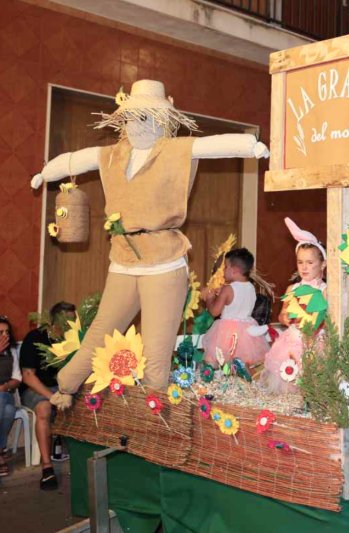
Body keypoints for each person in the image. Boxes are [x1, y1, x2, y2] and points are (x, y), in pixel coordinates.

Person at [31, 80, 269, 410]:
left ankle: (154, 408)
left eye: (147, 117)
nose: (139, 125)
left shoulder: (174, 151)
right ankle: (66, 385)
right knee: (102, 328)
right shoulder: (112, 156)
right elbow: (78, 159)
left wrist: (250, 144)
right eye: (134, 117)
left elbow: (212, 146)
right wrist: (47, 172)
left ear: (162, 120)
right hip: (124, 258)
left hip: (164, 260)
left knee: (158, 344)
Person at [262, 218, 327, 395]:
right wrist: (285, 317)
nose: (304, 267)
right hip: (291, 341)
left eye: (310, 263)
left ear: (323, 264)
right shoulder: (292, 289)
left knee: (312, 385)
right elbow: (283, 315)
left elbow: (328, 320)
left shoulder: (325, 291)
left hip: (315, 343)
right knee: (288, 385)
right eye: (300, 262)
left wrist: (315, 321)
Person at [20, 302, 75, 490]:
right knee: (43, 408)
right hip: (36, 389)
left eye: (73, 320)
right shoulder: (34, 338)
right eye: (67, 320)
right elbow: (28, 376)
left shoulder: (72, 341)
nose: (71, 324)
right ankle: (47, 468)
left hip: (62, 388)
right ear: (54, 320)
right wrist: (51, 397)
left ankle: (79, 458)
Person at [201, 248, 270, 367]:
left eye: (226, 267)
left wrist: (210, 298)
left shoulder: (228, 289)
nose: (223, 271)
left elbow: (214, 312)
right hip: (247, 332)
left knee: (217, 361)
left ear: (234, 270)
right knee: (243, 365)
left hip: (227, 333)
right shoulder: (251, 288)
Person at [0, 316, 21, 477]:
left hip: (5, 393)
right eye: (1, 332)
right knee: (8, 411)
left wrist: (6, 386)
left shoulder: (12, 351)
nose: (5, 335)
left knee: (3, 400)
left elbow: (17, 378)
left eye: (7, 332)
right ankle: (1, 450)